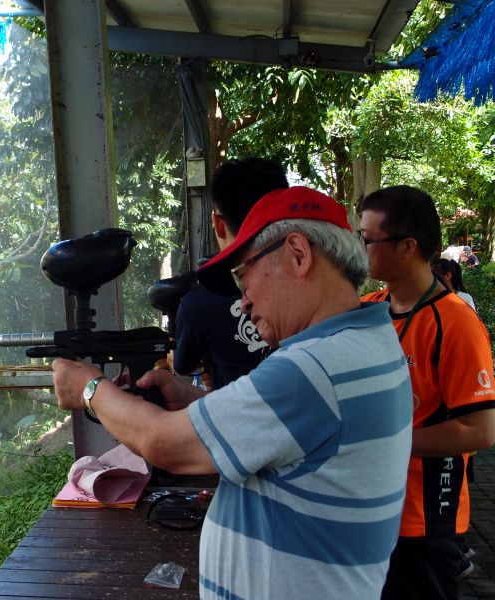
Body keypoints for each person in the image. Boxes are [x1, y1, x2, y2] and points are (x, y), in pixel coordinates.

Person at [53, 186, 413, 600]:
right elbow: (300, 433)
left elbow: (163, 443)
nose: (242, 302)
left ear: (298, 254)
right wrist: (194, 402)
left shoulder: (314, 367)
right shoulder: (368, 341)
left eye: (243, 277)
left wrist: (89, 388)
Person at [359, 185, 495, 600]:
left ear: (407, 247)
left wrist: (385, 444)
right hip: (366, 510)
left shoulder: (455, 322)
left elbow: (480, 430)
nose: (360, 246)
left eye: (367, 238)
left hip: (424, 522)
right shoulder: (367, 309)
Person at [173, 158, 287, 390]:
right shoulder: (312, 295)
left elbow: (182, 366)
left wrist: (93, 389)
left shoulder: (197, 304)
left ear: (218, 223)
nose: (246, 303)